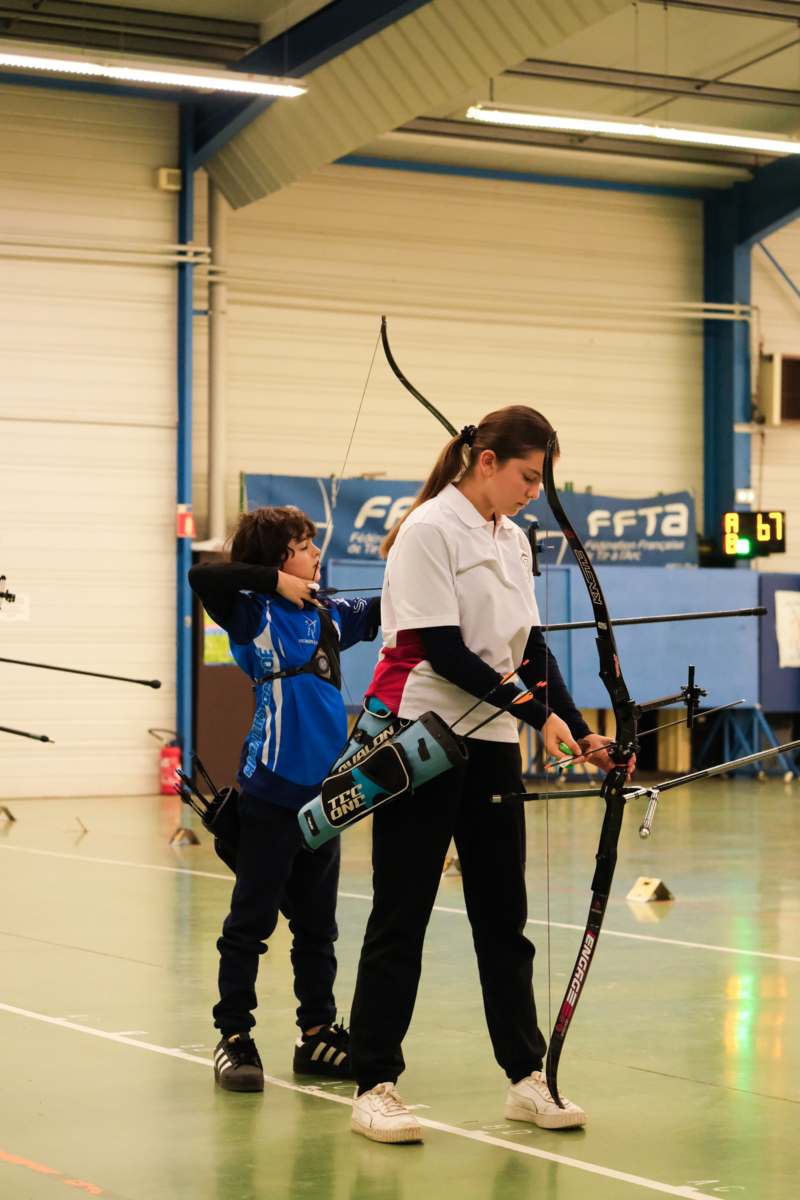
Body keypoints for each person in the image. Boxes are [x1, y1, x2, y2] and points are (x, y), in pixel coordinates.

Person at [347, 406, 633, 1144]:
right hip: (421, 737)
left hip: (494, 740)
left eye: (542, 480)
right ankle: (374, 1083)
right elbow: (442, 650)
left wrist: (579, 728)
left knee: (503, 915)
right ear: (486, 461)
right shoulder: (428, 530)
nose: (535, 492)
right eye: (528, 476)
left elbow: (528, 648)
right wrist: (540, 717)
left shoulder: (513, 538)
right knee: (401, 911)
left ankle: (526, 1076)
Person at [188, 506, 380, 1093]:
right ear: (277, 559)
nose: (317, 553)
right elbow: (202, 576)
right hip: (271, 793)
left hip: (324, 799)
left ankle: (316, 1034)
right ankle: (234, 1038)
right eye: (304, 545)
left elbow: (390, 605)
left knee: (318, 928)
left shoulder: (328, 614)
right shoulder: (252, 613)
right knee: (250, 924)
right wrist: (274, 582)